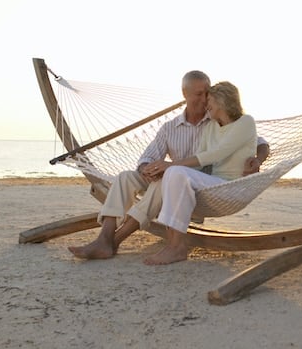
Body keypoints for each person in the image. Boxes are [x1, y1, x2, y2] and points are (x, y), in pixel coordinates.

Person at [68, 72, 269, 260]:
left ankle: (115, 240)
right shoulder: (170, 128)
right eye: (199, 94)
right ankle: (105, 237)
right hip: (171, 175)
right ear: (185, 94)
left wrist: (258, 159)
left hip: (191, 185)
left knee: (167, 178)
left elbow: (258, 142)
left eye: (207, 94)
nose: (205, 99)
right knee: (125, 177)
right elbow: (148, 157)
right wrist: (147, 170)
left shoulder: (216, 120)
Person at [144, 81, 256, 265]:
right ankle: (174, 245)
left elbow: (215, 154)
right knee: (175, 173)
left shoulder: (246, 122)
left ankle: (175, 247)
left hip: (234, 188)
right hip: (213, 184)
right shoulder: (211, 126)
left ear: (222, 100)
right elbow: (199, 161)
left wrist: (171, 166)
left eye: (209, 100)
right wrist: (164, 171)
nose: (206, 104)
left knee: (175, 170)